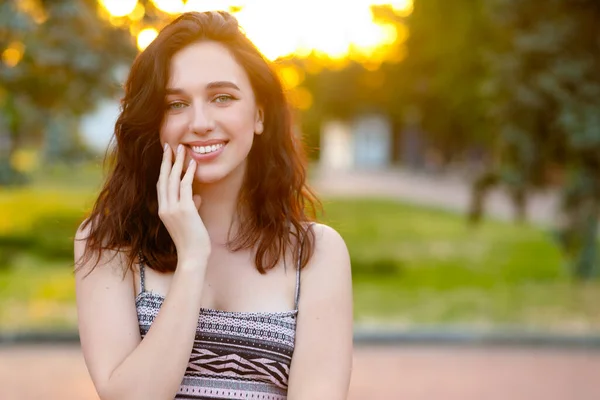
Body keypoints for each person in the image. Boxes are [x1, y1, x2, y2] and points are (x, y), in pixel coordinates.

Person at [73, 10, 353, 400]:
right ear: (155, 122)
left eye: (222, 97)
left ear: (258, 114)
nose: (200, 122)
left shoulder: (316, 255)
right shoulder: (107, 244)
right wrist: (192, 259)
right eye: (175, 104)